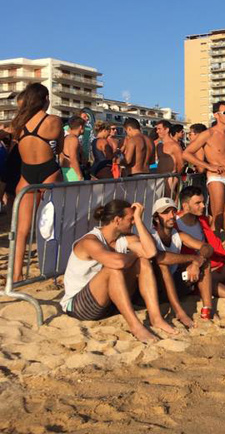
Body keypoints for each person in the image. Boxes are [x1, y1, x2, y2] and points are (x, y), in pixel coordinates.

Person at [60, 200, 175, 342]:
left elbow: (150, 252)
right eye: (131, 219)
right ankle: (136, 327)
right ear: (117, 220)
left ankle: (155, 318)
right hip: (79, 306)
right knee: (113, 269)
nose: (133, 222)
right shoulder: (89, 241)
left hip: (107, 305)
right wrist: (134, 254)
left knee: (143, 261)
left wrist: (139, 220)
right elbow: (118, 262)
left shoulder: (123, 238)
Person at [183, 101, 225, 260]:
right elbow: (187, 153)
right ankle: (214, 254)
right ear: (216, 115)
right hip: (215, 178)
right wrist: (208, 166)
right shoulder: (208, 134)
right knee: (218, 215)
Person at [10, 83, 63, 282]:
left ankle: (16, 274)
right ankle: (52, 270)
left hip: (27, 172)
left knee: (22, 228)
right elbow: (59, 149)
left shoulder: (18, 123)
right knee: (54, 224)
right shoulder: (54, 121)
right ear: (45, 99)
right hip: (48, 170)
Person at [149, 197, 216, 325]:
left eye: (173, 211)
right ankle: (179, 312)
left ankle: (207, 310)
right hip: (155, 289)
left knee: (205, 262)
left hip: (175, 284)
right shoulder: (151, 235)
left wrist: (197, 261)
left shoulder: (178, 235)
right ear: (156, 218)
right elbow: (161, 257)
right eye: (166, 212)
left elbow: (207, 247)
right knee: (163, 265)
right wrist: (193, 258)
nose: (171, 216)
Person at [156, 123, 185, 197]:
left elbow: (181, 164)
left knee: (170, 200)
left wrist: (175, 176)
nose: (157, 131)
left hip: (171, 177)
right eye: (157, 129)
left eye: (159, 129)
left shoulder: (174, 145)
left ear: (167, 130)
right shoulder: (159, 146)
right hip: (160, 178)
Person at [60, 115, 86, 182]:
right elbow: (73, 159)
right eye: (84, 126)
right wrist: (80, 176)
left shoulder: (66, 138)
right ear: (81, 127)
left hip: (64, 171)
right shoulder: (73, 139)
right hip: (72, 172)